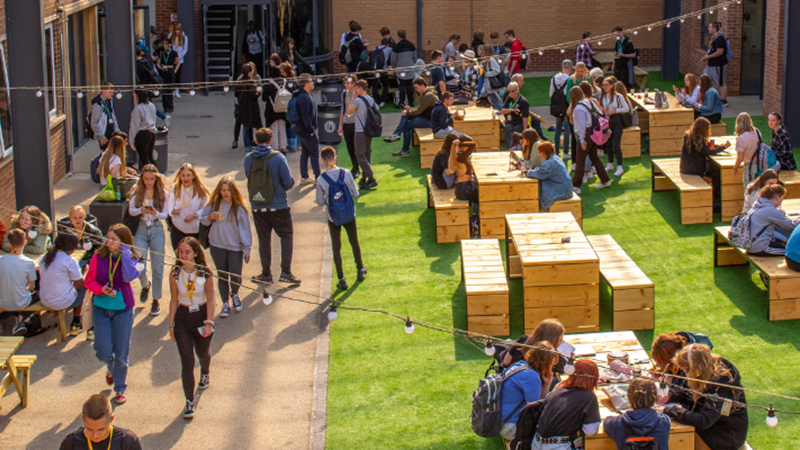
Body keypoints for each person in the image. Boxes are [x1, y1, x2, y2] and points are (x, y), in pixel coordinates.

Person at [84, 224, 141, 404]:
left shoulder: (130, 257)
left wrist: (124, 252)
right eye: (108, 238)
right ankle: (111, 367)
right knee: (102, 351)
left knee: (121, 351)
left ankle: (120, 388)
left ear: (123, 242)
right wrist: (101, 289)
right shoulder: (98, 256)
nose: (109, 242)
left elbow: (128, 276)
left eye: (114, 239)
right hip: (101, 307)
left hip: (123, 309)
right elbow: (88, 281)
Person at [662, 345, 748, 450]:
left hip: (725, 437)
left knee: (675, 441)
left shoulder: (722, 388)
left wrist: (671, 410)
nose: (685, 375)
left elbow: (704, 420)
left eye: (685, 371)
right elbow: (687, 391)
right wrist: (670, 397)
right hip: (713, 428)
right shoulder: (706, 372)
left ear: (695, 370)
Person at [245, 128, 301, 285]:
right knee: (286, 235)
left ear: (256, 141)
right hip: (279, 205)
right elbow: (288, 182)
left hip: (258, 205)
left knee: (264, 240)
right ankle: (285, 272)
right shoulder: (278, 158)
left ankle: (266, 274)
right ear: (271, 141)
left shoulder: (248, 158)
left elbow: (248, 177)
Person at [168, 237, 215, 419]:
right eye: (180, 251)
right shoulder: (175, 274)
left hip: (201, 316)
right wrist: (171, 325)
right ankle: (189, 400)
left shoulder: (205, 273)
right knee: (187, 361)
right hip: (183, 318)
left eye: (187, 252)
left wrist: (209, 322)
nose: (183, 255)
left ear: (196, 253)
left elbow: (211, 300)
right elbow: (173, 300)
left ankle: (205, 371)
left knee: (202, 354)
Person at [315, 147, 367, 290]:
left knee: (336, 247)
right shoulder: (346, 173)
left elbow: (319, 202)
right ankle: (360, 269)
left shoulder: (321, 179)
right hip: (349, 214)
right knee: (354, 241)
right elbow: (355, 193)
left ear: (323, 161)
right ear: (335, 157)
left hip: (333, 217)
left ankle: (341, 278)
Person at [201, 177, 252, 316]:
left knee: (235, 275)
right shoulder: (213, 204)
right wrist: (209, 217)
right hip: (217, 245)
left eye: (228, 190)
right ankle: (225, 303)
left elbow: (245, 229)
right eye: (223, 190)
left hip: (235, 247)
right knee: (222, 275)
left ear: (233, 191)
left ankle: (235, 293)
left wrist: (247, 248)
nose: (225, 193)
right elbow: (203, 220)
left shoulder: (239, 208)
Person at [532, 359, 601, 450]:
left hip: (536, 443)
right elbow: (590, 431)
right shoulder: (589, 396)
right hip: (557, 446)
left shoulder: (559, 389)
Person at [498, 341, 558, 442]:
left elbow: (536, 401)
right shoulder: (531, 377)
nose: (551, 369)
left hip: (502, 421)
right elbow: (534, 410)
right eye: (550, 366)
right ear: (543, 364)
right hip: (511, 426)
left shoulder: (521, 365)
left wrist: (547, 384)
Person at [129, 164, 168, 316]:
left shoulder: (162, 192)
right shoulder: (135, 190)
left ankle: (156, 299)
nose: (149, 182)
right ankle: (146, 284)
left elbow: (165, 214)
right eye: (146, 179)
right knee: (139, 265)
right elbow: (131, 211)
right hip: (141, 227)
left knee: (158, 266)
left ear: (156, 178)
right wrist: (141, 210)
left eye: (152, 179)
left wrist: (155, 212)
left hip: (157, 228)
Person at [38, 233, 87, 337]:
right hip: (62, 301)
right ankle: (76, 321)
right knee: (84, 289)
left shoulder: (43, 257)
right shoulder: (69, 260)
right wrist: (84, 273)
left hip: (44, 299)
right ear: (72, 248)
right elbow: (79, 285)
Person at [603, 378, 671, 450]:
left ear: (629, 397)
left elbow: (606, 422)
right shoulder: (664, 422)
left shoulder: (618, 423)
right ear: (655, 398)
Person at [58, 394, 142, 450]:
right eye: (90, 429)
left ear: (111, 419)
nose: (95, 436)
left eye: (101, 429)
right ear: (82, 418)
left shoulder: (127, 442)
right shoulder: (71, 443)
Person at [680, 117, 729, 208]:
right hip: (695, 169)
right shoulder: (698, 139)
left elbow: (706, 148)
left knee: (714, 167)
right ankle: (716, 200)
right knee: (717, 171)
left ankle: (716, 197)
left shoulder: (690, 136)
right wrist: (723, 147)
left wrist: (716, 146)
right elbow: (709, 152)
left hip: (685, 167)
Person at [651, 331, 715, 400]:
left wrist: (670, 395)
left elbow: (687, 390)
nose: (660, 365)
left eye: (662, 363)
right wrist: (664, 370)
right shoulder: (675, 343)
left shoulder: (691, 364)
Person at [570, 86, 611, 192]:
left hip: (586, 135)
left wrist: (582, 140)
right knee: (594, 157)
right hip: (593, 133)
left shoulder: (579, 108)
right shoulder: (589, 102)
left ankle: (576, 186)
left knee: (580, 160)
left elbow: (582, 125)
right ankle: (605, 180)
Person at [386, 77, 438, 157]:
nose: (416, 89)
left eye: (417, 87)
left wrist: (408, 112)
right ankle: (397, 134)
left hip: (429, 121)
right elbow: (419, 108)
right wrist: (409, 110)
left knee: (407, 125)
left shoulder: (428, 95)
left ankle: (404, 148)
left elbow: (419, 110)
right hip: (425, 116)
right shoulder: (426, 93)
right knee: (406, 116)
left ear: (422, 85)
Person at [0, 229, 37, 335]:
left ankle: (6, 320)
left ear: (9, 244)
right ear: (25, 242)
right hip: (20, 302)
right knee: (39, 294)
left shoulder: (0, 260)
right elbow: (31, 287)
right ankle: (19, 319)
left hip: (2, 301)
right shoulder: (29, 262)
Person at [745, 184, 798, 256]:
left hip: (751, 244)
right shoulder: (770, 210)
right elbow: (791, 225)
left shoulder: (759, 204)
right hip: (760, 247)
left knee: (786, 243)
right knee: (792, 252)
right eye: (781, 200)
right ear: (777, 196)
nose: (780, 203)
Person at [168, 163, 210, 250]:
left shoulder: (201, 190)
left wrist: (195, 215)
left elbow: (206, 208)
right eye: (183, 175)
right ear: (179, 175)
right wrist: (173, 212)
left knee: (191, 256)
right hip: (178, 226)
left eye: (188, 175)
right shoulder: (175, 188)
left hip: (194, 229)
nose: (185, 178)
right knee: (179, 255)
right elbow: (169, 207)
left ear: (193, 176)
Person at [347, 80, 379, 190]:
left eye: (356, 89)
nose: (354, 91)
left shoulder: (357, 101)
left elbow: (349, 111)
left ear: (360, 88)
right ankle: (364, 179)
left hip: (360, 131)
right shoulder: (371, 99)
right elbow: (377, 108)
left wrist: (352, 99)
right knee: (367, 154)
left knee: (360, 154)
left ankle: (370, 177)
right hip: (369, 130)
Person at [526, 142, 574, 211]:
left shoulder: (550, 163)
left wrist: (527, 172)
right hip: (567, 189)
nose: (539, 155)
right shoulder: (555, 158)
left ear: (545, 152)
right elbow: (542, 171)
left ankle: (541, 208)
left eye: (540, 152)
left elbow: (540, 174)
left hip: (562, 191)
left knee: (543, 183)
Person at [293, 73, 321, 184]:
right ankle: (318, 176)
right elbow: (306, 117)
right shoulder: (303, 98)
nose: (313, 83)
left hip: (303, 130)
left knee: (305, 152)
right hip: (306, 131)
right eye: (310, 81)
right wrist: (311, 131)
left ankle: (304, 176)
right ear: (305, 84)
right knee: (314, 153)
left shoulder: (306, 95)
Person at [57, 205, 103, 270]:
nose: (77, 220)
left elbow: (101, 250)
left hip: (86, 260)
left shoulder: (93, 231)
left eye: (80, 217)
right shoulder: (67, 232)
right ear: (70, 219)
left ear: (84, 217)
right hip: (71, 259)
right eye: (75, 218)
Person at [600, 77, 629, 177]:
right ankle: (610, 163)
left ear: (612, 86)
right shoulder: (603, 96)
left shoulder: (618, 96)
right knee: (608, 144)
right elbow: (601, 107)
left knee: (616, 145)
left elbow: (626, 108)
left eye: (606, 85)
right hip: (607, 122)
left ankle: (620, 166)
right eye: (603, 85)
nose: (604, 87)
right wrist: (602, 111)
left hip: (616, 121)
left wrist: (615, 111)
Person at [235, 64, 263, 151]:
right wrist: (259, 92)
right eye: (251, 71)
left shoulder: (239, 82)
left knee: (245, 126)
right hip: (251, 107)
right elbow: (253, 96)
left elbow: (236, 94)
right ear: (249, 72)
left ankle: (247, 145)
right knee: (256, 125)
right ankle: (260, 143)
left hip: (242, 106)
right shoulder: (251, 82)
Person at [451, 134, 480, 217]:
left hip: (463, 187)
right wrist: (460, 143)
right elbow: (473, 145)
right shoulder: (461, 157)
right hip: (464, 190)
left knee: (480, 188)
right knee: (483, 195)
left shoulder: (460, 154)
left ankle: (476, 213)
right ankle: (477, 216)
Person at [701, 22, 729, 107]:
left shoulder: (720, 39)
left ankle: (723, 101)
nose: (708, 29)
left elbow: (719, 52)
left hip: (718, 65)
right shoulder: (713, 38)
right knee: (704, 79)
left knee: (720, 83)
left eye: (710, 27)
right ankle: (707, 97)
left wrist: (708, 57)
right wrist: (707, 57)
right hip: (710, 65)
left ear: (714, 28)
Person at [263, 59, 288, 155]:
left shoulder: (269, 84)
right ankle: (283, 148)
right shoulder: (284, 82)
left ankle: (275, 149)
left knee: (274, 128)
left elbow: (264, 98)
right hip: (283, 109)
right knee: (282, 128)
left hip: (272, 109)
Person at [129, 90, 158, 170]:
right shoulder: (151, 105)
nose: (134, 97)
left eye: (135, 95)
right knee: (150, 156)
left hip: (143, 134)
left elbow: (134, 126)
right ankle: (155, 173)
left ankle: (151, 175)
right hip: (152, 133)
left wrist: (131, 140)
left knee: (144, 158)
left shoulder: (138, 109)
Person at [732, 112, 762, 189]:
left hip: (749, 166)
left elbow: (740, 158)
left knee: (749, 192)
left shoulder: (741, 138)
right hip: (761, 164)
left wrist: (735, 167)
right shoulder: (757, 132)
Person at [551, 60, 573, 159]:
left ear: (562, 67)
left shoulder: (554, 78)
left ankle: (556, 152)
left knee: (558, 128)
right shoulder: (569, 79)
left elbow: (550, 93)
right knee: (567, 128)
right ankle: (565, 152)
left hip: (556, 105)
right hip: (566, 105)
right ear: (570, 68)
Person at [338, 77, 359, 178]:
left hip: (355, 122)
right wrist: (340, 125)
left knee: (356, 147)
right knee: (349, 147)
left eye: (348, 83)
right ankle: (355, 166)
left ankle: (357, 167)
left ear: (354, 83)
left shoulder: (358, 94)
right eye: (345, 83)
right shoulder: (344, 94)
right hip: (346, 123)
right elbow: (343, 109)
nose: (346, 85)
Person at [391, 30, 417, 109]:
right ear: (406, 35)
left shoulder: (396, 47)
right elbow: (415, 58)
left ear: (398, 36)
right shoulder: (412, 45)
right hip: (410, 69)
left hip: (400, 70)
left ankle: (401, 103)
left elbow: (393, 59)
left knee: (401, 86)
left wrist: (394, 67)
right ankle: (411, 102)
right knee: (410, 86)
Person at [90, 83, 119, 151]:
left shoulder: (109, 101)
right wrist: (101, 136)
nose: (112, 94)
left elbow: (112, 116)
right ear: (103, 91)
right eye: (110, 92)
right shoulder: (97, 105)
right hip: (104, 134)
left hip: (111, 132)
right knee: (107, 154)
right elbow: (94, 123)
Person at [155, 33, 179, 114]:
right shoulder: (162, 53)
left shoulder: (174, 53)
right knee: (164, 89)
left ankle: (170, 106)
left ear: (169, 44)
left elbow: (178, 62)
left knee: (170, 89)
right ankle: (165, 107)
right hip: (164, 70)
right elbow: (158, 63)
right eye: (163, 44)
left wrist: (174, 71)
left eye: (166, 44)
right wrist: (160, 67)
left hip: (170, 70)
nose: (164, 45)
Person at [501, 82, 530, 149]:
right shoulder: (509, 98)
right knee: (507, 128)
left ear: (518, 90)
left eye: (513, 91)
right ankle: (510, 147)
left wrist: (525, 131)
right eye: (509, 91)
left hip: (520, 123)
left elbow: (525, 118)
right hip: (511, 121)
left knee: (515, 130)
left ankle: (518, 147)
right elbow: (502, 110)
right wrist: (512, 110)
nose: (511, 93)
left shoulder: (524, 102)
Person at [481, 44, 504, 110]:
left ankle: (505, 113)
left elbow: (498, 70)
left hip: (491, 86)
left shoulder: (491, 60)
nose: (482, 52)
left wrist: (487, 74)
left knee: (496, 103)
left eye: (483, 50)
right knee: (483, 98)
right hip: (488, 86)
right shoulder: (487, 60)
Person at [170, 24, 188, 98]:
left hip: (179, 59)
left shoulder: (184, 37)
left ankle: (176, 90)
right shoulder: (171, 36)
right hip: (172, 59)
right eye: (175, 30)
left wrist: (179, 56)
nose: (176, 32)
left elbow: (185, 49)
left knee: (178, 75)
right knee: (171, 75)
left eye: (178, 30)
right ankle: (172, 90)